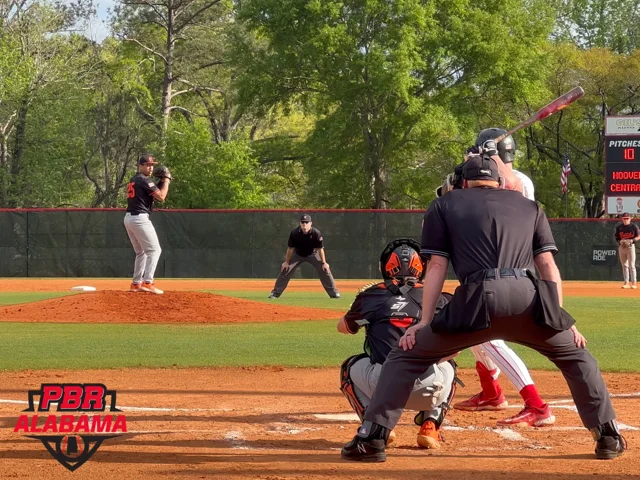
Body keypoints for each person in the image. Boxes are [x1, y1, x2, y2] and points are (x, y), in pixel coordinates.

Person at [341, 154, 625, 462]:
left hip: (477, 301)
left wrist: (424, 322)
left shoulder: (444, 205)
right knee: (577, 357)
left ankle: (372, 440)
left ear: (463, 183)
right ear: (500, 181)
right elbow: (547, 266)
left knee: (405, 357)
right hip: (528, 297)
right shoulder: (531, 207)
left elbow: (436, 266)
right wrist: (560, 318)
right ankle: (607, 435)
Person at [453, 129, 554, 428]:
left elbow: (507, 184)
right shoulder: (486, 177)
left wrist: (486, 156)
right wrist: (468, 165)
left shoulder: (519, 180)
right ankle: (490, 392)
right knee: (474, 334)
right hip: (484, 266)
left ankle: (536, 404)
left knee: (484, 335)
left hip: (508, 268)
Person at [338, 238, 458, 449]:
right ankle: (431, 425)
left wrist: (365, 310)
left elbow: (344, 327)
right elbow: (454, 347)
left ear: (386, 266)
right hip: (429, 388)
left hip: (383, 386)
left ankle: (378, 424)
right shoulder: (440, 297)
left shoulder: (371, 295)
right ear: (421, 266)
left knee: (348, 367)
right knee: (450, 365)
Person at [124, 154, 171, 295]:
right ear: (141, 166)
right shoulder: (144, 180)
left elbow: (151, 193)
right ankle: (148, 282)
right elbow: (161, 197)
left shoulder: (135, 179)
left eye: (152, 165)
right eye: (148, 165)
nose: (151, 168)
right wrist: (167, 180)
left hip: (129, 218)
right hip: (139, 219)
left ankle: (136, 284)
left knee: (141, 252)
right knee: (154, 251)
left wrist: (160, 182)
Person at [269, 214, 340, 299]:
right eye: (302, 222)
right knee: (285, 269)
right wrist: (286, 262)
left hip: (313, 254)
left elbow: (320, 249)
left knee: (324, 269)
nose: (304, 224)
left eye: (306, 222)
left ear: (311, 223)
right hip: (298, 254)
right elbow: (290, 249)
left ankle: (334, 294)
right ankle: (275, 293)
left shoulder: (316, 233)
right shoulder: (294, 233)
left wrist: (324, 263)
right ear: (300, 223)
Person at [614, 212, 640, 289]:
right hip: (622, 247)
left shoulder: (633, 226)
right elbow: (617, 237)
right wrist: (620, 241)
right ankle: (626, 283)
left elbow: (639, 236)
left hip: (631, 247)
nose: (626, 220)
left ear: (630, 219)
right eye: (624, 219)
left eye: (627, 218)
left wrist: (632, 240)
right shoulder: (619, 227)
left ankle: (634, 283)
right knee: (624, 265)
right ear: (622, 219)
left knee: (632, 265)